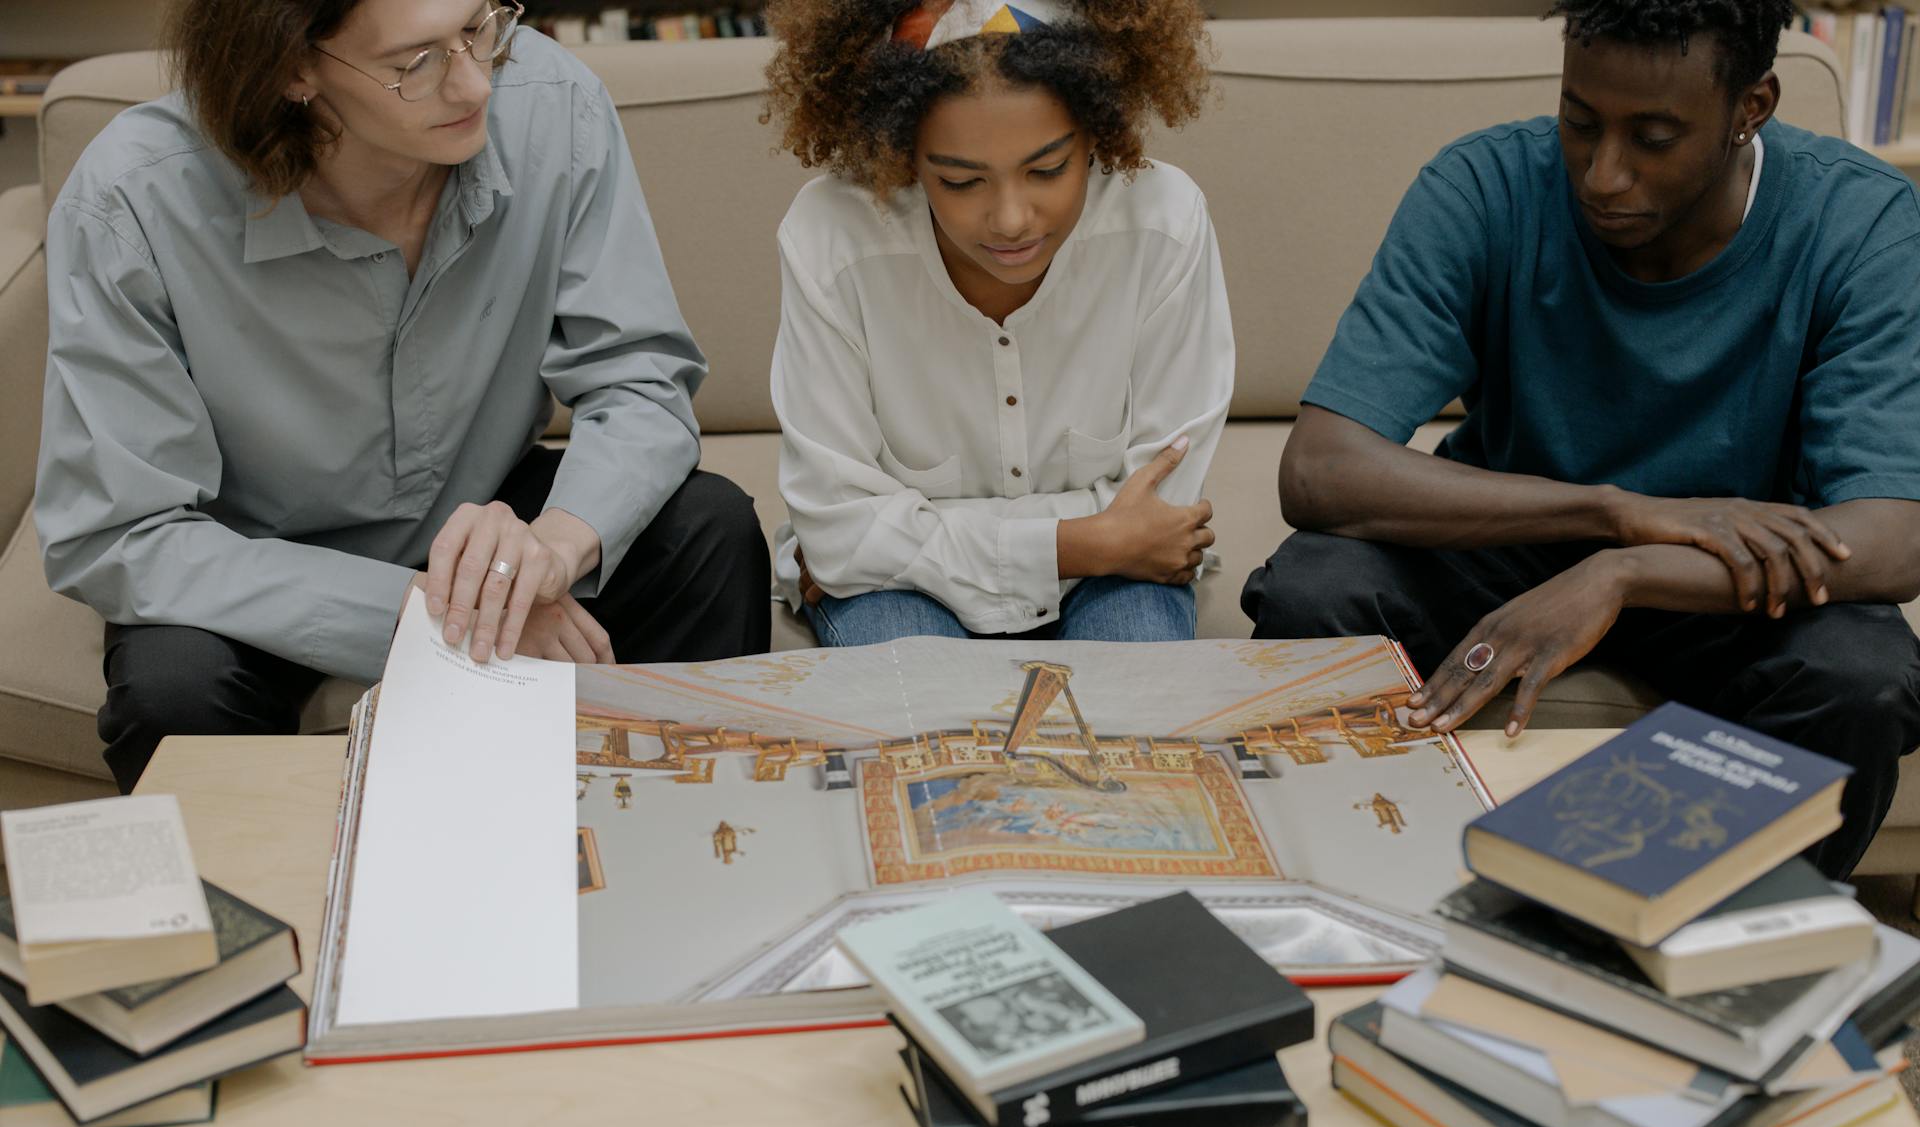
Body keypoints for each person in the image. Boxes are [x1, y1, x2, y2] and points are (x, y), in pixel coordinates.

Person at [1242, 0, 1920, 880]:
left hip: (1727, 577)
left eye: (1654, 137)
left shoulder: (1859, 223)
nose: (1603, 175)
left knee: (1859, 676)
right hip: (1512, 540)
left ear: (1751, 108)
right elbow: (1322, 469)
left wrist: (1622, 570)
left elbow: (1893, 537)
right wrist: (1617, 515)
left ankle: (1723, 952)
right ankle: (1367, 897)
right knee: (1316, 587)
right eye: (1580, 123)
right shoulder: (1483, 186)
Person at [38, 0, 771, 792]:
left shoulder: (554, 104)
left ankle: (671, 864)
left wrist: (546, 557)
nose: (473, 86)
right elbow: (122, 534)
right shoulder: (133, 197)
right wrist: (442, 613)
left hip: (481, 510)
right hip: (253, 560)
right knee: (172, 689)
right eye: (415, 63)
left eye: (479, 28)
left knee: (711, 532)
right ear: (291, 69)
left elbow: (638, 373)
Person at [760, 0, 1231, 647]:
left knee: (1136, 724)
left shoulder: (1164, 224)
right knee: (926, 734)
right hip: (905, 593)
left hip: (1110, 576)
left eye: (1046, 170)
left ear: (1095, 133)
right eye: (960, 181)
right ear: (904, 155)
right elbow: (841, 536)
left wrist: (903, 534)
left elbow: (1159, 521)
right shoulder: (833, 239)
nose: (1011, 219)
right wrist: (1084, 541)